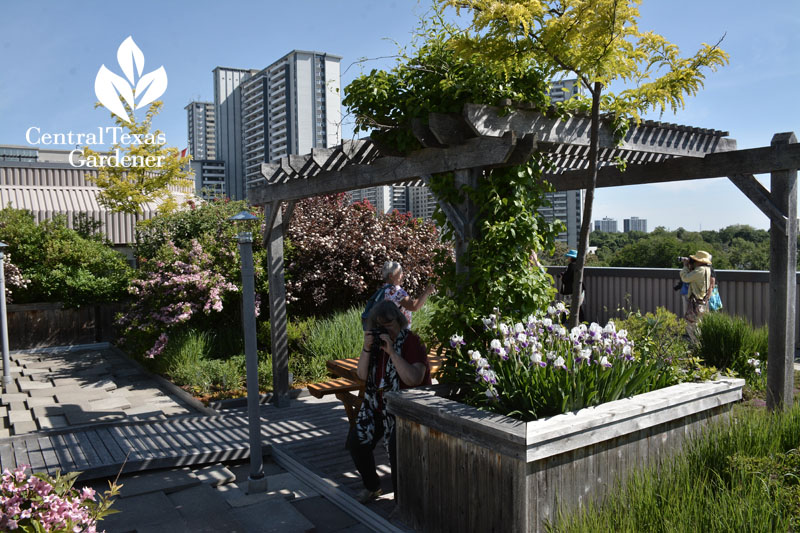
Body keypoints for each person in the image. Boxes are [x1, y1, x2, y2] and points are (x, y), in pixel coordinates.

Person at [348, 299, 431, 504]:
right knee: (355, 441)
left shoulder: (412, 341)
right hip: (377, 408)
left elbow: (414, 379)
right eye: (379, 326)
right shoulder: (375, 345)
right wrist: (367, 349)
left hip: (407, 411)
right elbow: (361, 375)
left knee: (396, 448)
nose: (385, 331)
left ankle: (402, 500)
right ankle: (372, 486)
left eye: (389, 325)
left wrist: (392, 352)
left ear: (400, 321)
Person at [380, 261, 434, 328]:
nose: (402, 275)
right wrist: (427, 292)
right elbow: (414, 306)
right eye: (400, 272)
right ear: (391, 276)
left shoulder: (383, 289)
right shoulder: (396, 291)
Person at [680, 250, 713, 343]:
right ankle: (701, 345)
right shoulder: (707, 270)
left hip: (696, 302)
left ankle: (697, 345)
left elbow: (685, 278)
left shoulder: (700, 270)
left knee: (691, 325)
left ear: (699, 261)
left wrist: (685, 266)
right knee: (699, 325)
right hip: (703, 301)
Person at [559, 249, 586, 323]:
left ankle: (562, 323)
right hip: (580, 290)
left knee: (567, 308)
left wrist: (562, 277)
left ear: (571, 258)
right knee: (578, 308)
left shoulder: (571, 266)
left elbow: (566, 279)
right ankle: (583, 323)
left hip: (571, 291)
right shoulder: (579, 265)